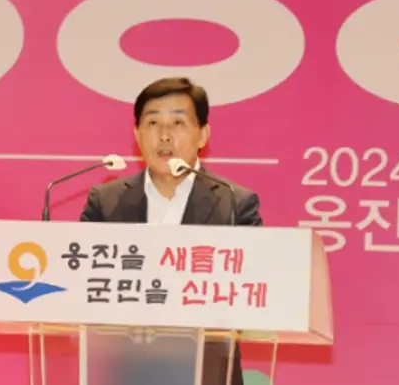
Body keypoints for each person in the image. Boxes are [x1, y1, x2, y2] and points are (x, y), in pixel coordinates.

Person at [79, 77, 262, 385]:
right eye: (152, 123)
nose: (164, 135)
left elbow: (250, 291)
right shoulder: (105, 202)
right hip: (123, 371)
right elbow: (80, 282)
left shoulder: (235, 203)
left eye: (178, 123)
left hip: (207, 373)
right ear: (137, 134)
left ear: (203, 135)